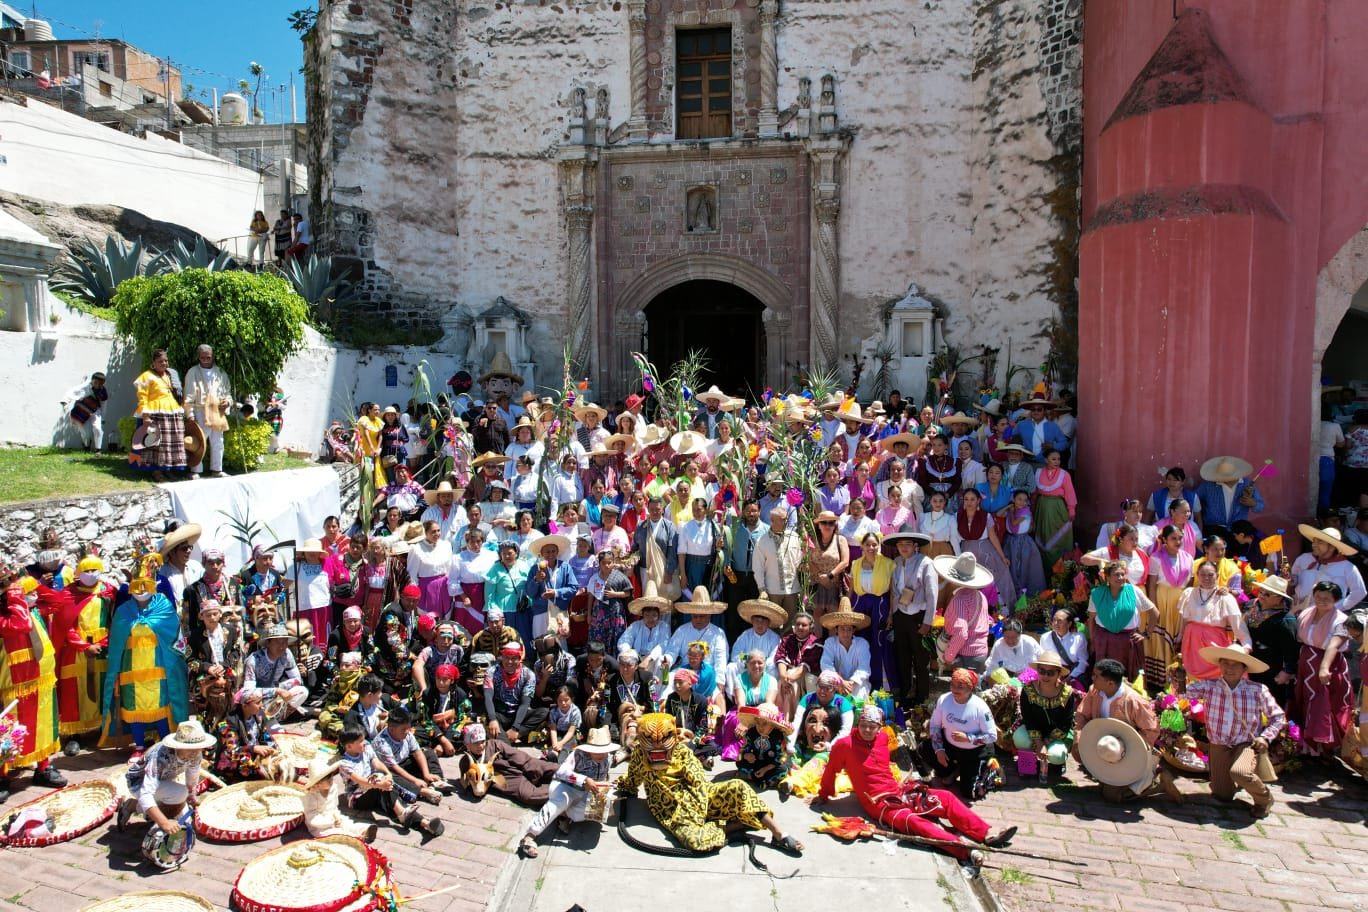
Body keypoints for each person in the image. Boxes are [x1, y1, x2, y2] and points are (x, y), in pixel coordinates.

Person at [813, 704, 1017, 863]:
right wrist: (823, 795)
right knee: (914, 822)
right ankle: (966, 851)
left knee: (944, 797)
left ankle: (986, 834)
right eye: (863, 725)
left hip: (899, 791)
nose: (867, 730)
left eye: (872, 726)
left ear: (879, 727)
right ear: (858, 724)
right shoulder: (844, 745)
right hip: (879, 804)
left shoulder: (883, 737)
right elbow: (831, 771)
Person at [614, 712, 803, 854]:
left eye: (663, 739)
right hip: (671, 809)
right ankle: (732, 826)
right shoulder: (639, 754)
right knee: (695, 841)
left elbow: (698, 783)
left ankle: (779, 834)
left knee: (738, 787)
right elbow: (632, 780)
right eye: (649, 739)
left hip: (698, 798)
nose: (657, 745)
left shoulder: (682, 752)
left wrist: (698, 809)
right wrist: (622, 787)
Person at [102, 548, 189, 753]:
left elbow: (173, 636)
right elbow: (116, 642)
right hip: (131, 668)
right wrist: (115, 671)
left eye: (145, 586)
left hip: (159, 666)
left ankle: (164, 741)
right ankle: (139, 745)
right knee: (134, 707)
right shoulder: (124, 611)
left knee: (160, 705)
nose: (141, 591)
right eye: (136, 587)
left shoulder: (164, 607)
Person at [1183, 644, 1285, 817]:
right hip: (1219, 744)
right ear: (1220, 665)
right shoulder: (1209, 686)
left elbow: (1278, 717)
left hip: (1245, 743)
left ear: (1244, 668)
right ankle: (1231, 783)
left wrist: (1265, 738)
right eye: (1226, 663)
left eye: (1235, 664)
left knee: (1240, 772)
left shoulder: (1257, 690)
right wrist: (1178, 678)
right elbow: (1182, 694)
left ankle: (1264, 799)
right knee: (1222, 795)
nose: (1230, 668)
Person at [1072, 659, 1182, 803]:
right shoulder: (1094, 691)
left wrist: (1129, 750)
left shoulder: (1133, 701)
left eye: (1096, 676)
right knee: (1083, 756)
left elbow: (1151, 730)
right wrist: (1078, 739)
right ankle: (1110, 778)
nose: (1092, 678)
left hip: (1127, 751)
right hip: (1104, 746)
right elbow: (1082, 715)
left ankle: (1158, 782)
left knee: (1112, 796)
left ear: (1110, 683)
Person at [0, 582, 66, 800]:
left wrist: (27, 580)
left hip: (43, 679)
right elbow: (20, 624)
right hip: (13, 685)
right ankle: (3, 776)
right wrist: (16, 596)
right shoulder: (8, 617)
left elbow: (57, 600)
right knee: (10, 729)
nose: (30, 596)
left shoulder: (34, 609)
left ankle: (43, 768)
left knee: (44, 724)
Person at [518, 726, 618, 858]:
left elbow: (603, 777)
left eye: (604, 751)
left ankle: (564, 814)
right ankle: (530, 836)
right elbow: (561, 772)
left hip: (587, 791)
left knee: (601, 809)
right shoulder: (577, 754)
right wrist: (583, 780)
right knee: (560, 801)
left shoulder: (608, 758)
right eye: (598, 751)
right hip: (565, 787)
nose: (602, 755)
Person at [114, 719, 215, 842]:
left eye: (198, 748)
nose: (194, 752)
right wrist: (164, 823)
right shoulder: (160, 757)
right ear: (179, 746)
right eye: (190, 748)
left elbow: (192, 778)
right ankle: (134, 806)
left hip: (164, 781)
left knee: (185, 819)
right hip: (139, 783)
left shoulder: (196, 755)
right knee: (179, 794)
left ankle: (138, 807)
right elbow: (146, 793)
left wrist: (192, 796)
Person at [336, 723, 444, 835]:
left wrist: (387, 774)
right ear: (349, 746)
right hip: (358, 797)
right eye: (360, 741)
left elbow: (376, 762)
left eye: (363, 739)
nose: (364, 742)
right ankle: (411, 803)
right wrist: (380, 783)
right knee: (383, 784)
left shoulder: (366, 747)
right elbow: (359, 781)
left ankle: (424, 823)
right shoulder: (344, 763)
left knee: (390, 799)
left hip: (375, 786)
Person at [1292, 581, 1352, 756]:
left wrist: (1324, 668)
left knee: (1324, 703)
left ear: (1336, 600)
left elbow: (1334, 645)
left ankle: (1324, 748)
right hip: (1306, 663)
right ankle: (1306, 747)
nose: (1321, 601)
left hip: (1328, 665)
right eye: (1318, 597)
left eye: (1327, 598)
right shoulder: (1306, 613)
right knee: (1304, 700)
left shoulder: (1341, 620)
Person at [920, 668, 998, 801]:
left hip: (975, 751)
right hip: (950, 745)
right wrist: (939, 750)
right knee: (924, 749)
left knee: (972, 793)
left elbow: (992, 736)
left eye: (960, 687)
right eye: (953, 685)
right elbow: (934, 725)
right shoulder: (944, 699)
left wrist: (968, 738)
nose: (955, 689)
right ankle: (954, 770)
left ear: (970, 688)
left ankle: (991, 769)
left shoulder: (980, 707)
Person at [1087, 559, 1158, 681]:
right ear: (1107, 577)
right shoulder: (1097, 594)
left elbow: (1154, 613)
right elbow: (1092, 619)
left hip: (1128, 642)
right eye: (1116, 574)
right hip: (1104, 642)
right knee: (1106, 678)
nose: (1120, 577)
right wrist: (1093, 641)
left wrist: (1146, 634)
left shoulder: (1134, 591)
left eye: (1122, 574)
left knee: (1130, 678)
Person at [1011, 650, 1077, 781]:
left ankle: (1058, 763)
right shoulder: (1028, 690)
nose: (1045, 676)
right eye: (1042, 671)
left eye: (1051, 673)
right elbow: (1028, 718)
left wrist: (1048, 741)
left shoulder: (1067, 693)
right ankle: (1027, 764)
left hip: (1057, 733)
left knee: (1057, 755)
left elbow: (1066, 722)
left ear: (1059, 674)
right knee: (1020, 738)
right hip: (1034, 729)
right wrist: (1039, 742)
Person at [1178, 561, 1246, 680]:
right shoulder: (1188, 593)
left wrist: (1246, 644)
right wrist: (1179, 638)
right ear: (1197, 575)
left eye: (1210, 575)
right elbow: (1184, 620)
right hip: (1191, 641)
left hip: (1214, 642)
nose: (1206, 578)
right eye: (1203, 575)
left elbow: (1237, 624)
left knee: (1216, 674)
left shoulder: (1225, 597)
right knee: (1191, 676)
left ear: (1217, 576)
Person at [1145, 524, 1193, 688]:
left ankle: (1178, 682)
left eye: (1180, 538)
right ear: (1164, 540)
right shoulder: (1156, 558)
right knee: (1162, 638)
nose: (1178, 541)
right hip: (1162, 599)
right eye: (1173, 538)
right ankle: (1162, 680)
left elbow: (1190, 584)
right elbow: (1151, 584)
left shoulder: (1188, 557)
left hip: (1180, 601)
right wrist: (1154, 608)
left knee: (1178, 636)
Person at [129, 348, 186, 481]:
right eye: (160, 361)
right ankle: (156, 471)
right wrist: (146, 416)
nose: (164, 363)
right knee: (156, 444)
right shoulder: (147, 376)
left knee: (170, 444)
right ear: (153, 363)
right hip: (156, 414)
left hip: (172, 413)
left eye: (166, 361)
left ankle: (167, 469)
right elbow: (143, 397)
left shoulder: (170, 375)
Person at [1244, 575, 1300, 706]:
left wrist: (1287, 671)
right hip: (1249, 662)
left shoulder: (1286, 619)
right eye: (1261, 591)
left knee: (1271, 701)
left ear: (1279, 598)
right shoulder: (1250, 606)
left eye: (1267, 594)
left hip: (1272, 668)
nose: (1262, 596)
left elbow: (1292, 649)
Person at [935, 553, 993, 673]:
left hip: (966, 655)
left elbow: (961, 634)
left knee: (964, 689)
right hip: (980, 651)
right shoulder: (980, 596)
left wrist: (949, 656)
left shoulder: (959, 600)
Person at [1289, 523, 1365, 613]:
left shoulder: (1347, 567)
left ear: (1332, 547)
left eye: (1320, 542)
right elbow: (1294, 580)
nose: (1314, 545)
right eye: (1314, 541)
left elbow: (1360, 592)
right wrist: (1289, 579)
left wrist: (1337, 608)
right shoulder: (1303, 558)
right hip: (1298, 611)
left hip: (1327, 617)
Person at [183, 344, 233, 479]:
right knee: (199, 440)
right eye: (203, 357)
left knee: (218, 441)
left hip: (217, 411)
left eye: (208, 357)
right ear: (199, 357)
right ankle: (195, 470)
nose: (205, 359)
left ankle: (217, 469)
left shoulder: (221, 372)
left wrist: (227, 402)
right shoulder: (192, 372)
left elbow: (228, 392)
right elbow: (188, 395)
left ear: (213, 356)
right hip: (200, 410)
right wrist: (190, 414)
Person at [242, 623, 310, 722]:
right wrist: (276, 691)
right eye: (277, 642)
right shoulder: (254, 660)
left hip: (275, 694)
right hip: (258, 696)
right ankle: (262, 719)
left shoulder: (287, 654)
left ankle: (277, 717)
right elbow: (248, 691)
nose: (282, 646)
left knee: (302, 691)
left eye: (284, 642)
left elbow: (297, 679)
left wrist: (283, 690)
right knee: (253, 695)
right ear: (268, 643)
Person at [212, 689, 279, 782]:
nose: (261, 706)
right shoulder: (228, 723)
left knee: (277, 763)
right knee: (261, 772)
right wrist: (253, 749)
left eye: (261, 701)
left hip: (252, 754)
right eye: (258, 703)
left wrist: (274, 750)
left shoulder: (259, 715)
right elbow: (231, 751)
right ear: (245, 705)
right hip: (234, 761)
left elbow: (265, 736)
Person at [485, 642, 546, 743]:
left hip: (518, 715)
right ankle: (506, 741)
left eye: (514, 658)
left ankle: (514, 735)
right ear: (502, 657)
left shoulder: (528, 675)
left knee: (544, 712)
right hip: (499, 714)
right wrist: (492, 719)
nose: (509, 662)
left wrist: (515, 727)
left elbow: (525, 703)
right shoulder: (491, 672)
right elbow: (488, 697)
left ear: (520, 659)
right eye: (506, 658)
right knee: (489, 716)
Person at [1195, 456, 1265, 539]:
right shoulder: (1207, 485)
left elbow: (1260, 507)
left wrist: (1253, 503)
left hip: (1238, 530)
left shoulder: (1247, 484)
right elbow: (1194, 499)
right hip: (1213, 529)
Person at [754, 505, 804, 619]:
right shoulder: (762, 541)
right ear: (772, 521)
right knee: (772, 622)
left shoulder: (795, 537)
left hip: (792, 589)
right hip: (772, 591)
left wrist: (803, 565)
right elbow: (758, 568)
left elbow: (798, 561)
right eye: (782, 520)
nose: (786, 522)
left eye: (786, 519)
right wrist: (762, 590)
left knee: (790, 623)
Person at [818, 602, 872, 700]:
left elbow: (864, 668)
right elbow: (826, 665)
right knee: (825, 683)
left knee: (858, 696)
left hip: (856, 683)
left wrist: (850, 683)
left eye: (849, 629)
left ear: (853, 630)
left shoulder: (862, 644)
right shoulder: (830, 642)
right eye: (842, 629)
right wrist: (840, 682)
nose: (846, 633)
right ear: (836, 630)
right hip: (836, 683)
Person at [735, 702, 793, 791]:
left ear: (773, 724)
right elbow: (745, 748)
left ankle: (758, 778)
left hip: (771, 764)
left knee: (783, 769)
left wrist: (765, 769)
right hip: (756, 761)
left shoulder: (778, 737)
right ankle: (760, 779)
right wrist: (746, 755)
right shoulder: (751, 732)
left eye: (764, 723)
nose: (760, 727)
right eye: (758, 723)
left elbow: (781, 758)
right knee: (739, 761)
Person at [1033, 448, 1076, 565]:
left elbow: (1070, 493)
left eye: (1058, 459)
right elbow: (1035, 493)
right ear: (1046, 460)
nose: (1057, 461)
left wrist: (1071, 509)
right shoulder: (1038, 472)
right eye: (1053, 459)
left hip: (1058, 508)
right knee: (1043, 533)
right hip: (1041, 507)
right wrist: (1032, 508)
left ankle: (1060, 566)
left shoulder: (1064, 475)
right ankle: (1044, 567)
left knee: (1057, 535)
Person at [1043, 609, 1089, 690]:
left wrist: (1069, 678)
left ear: (1069, 624)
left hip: (1073, 674)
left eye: (1060, 621)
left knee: (1073, 691)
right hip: (1052, 672)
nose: (1056, 623)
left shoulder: (1078, 638)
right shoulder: (1045, 637)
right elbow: (1044, 659)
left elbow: (1083, 662)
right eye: (1054, 620)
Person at [66, 371, 108, 452]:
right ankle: (86, 446)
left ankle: (98, 450)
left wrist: (103, 418)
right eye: (96, 382)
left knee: (98, 429)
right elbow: (74, 391)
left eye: (100, 383)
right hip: (82, 409)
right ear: (92, 380)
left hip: (96, 410)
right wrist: (65, 401)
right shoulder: (85, 386)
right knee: (86, 432)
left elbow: (104, 405)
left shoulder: (103, 391)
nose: (98, 385)